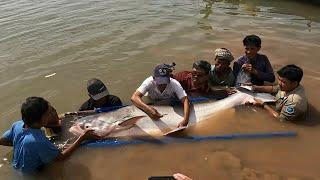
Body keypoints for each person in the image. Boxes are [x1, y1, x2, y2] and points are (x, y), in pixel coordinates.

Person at [0, 97, 101, 173]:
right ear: (40, 119)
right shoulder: (38, 140)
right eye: (48, 114)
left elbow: (3, 140)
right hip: (33, 174)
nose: (51, 115)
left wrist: (25, 147)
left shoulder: (17, 125)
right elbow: (61, 158)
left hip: (15, 168)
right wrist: (82, 138)